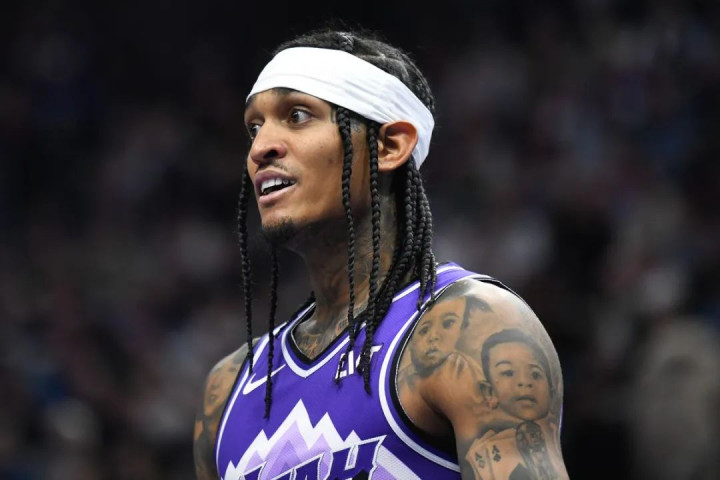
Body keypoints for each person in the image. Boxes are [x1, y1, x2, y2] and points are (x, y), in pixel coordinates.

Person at [193, 26, 569, 480]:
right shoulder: (227, 388)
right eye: (254, 127)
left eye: (297, 115)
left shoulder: (470, 332)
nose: (259, 148)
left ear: (389, 146)